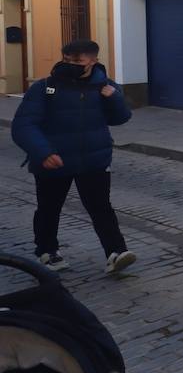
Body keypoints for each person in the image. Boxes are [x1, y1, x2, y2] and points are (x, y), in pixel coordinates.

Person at [11, 40, 136, 275]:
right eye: (68, 60)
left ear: (93, 61)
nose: (72, 65)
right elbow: (24, 125)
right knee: (49, 208)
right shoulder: (45, 87)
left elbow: (121, 118)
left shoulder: (105, 86)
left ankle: (116, 252)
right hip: (54, 160)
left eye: (78, 61)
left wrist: (114, 98)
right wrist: (43, 152)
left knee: (101, 208)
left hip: (94, 160)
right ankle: (47, 251)